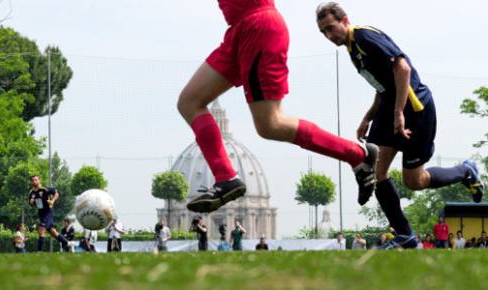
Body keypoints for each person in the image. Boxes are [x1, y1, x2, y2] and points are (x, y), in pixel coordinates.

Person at [179, 0, 379, 214]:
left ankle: (356, 153)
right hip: (239, 30)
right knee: (189, 102)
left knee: (270, 124)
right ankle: (226, 177)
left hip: (259, 28)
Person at [316, 2, 484, 249]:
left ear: (344, 20)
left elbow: (402, 67)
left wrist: (399, 113)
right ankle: (405, 235)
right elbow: (382, 85)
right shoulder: (353, 49)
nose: (329, 36)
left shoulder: (363, 35)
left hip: (416, 109)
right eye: (324, 32)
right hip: (389, 109)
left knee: (414, 181)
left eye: (331, 28)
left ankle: (465, 171)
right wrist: (368, 117)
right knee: (377, 172)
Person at [28, 175, 69, 252]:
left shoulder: (45, 189)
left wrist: (52, 201)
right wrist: (31, 202)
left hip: (48, 212)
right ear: (31, 182)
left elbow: (57, 193)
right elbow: (30, 203)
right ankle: (65, 242)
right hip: (41, 213)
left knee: (41, 228)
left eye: (36, 180)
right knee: (53, 232)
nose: (34, 181)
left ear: (39, 180)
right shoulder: (32, 192)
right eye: (33, 180)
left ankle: (39, 251)